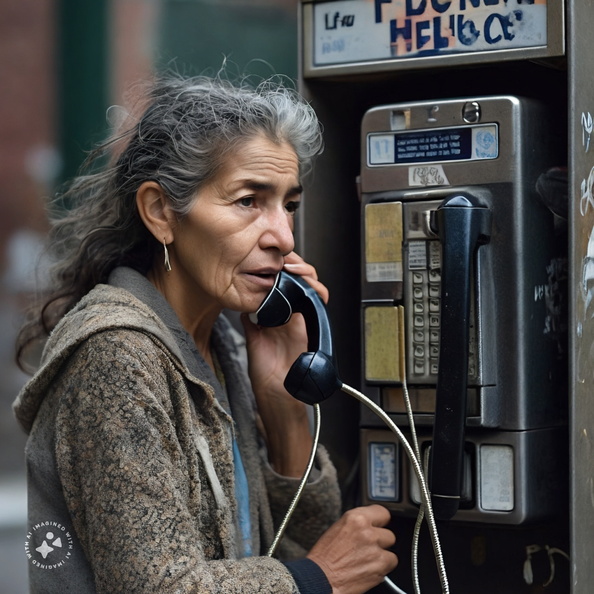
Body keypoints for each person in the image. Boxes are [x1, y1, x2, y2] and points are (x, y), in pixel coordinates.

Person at [13, 73, 398, 593]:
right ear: (161, 212)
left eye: (289, 204)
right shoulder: (115, 358)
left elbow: (293, 541)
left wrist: (283, 407)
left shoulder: (222, 347)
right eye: (248, 201)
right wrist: (314, 580)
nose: (283, 237)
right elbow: (155, 587)